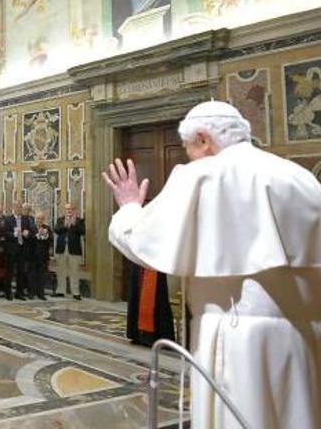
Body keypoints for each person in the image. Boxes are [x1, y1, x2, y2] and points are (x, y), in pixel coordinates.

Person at [105, 101, 321, 428]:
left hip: (236, 339)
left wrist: (129, 206)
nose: (188, 155)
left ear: (204, 139)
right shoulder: (298, 176)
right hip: (306, 335)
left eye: (188, 147)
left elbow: (140, 240)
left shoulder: (203, 175)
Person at [53, 203, 85, 300]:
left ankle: (75, 292)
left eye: (71, 209)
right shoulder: (60, 220)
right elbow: (56, 230)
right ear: (64, 210)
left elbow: (83, 231)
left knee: (74, 272)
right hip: (61, 249)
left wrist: (74, 224)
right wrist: (66, 225)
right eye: (67, 209)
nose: (69, 211)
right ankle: (60, 291)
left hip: (74, 250)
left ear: (74, 210)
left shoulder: (79, 221)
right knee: (61, 271)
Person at [3, 203, 35, 300]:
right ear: (13, 208)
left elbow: (31, 231)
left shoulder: (26, 219)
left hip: (23, 249)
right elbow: (5, 232)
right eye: (16, 207)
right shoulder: (8, 219)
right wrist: (14, 234)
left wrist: (28, 233)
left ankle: (19, 293)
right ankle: (8, 293)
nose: (18, 209)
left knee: (21, 272)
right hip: (11, 249)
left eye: (20, 207)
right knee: (10, 271)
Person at [29, 211, 53, 300]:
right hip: (32, 255)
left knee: (42, 275)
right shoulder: (31, 227)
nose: (39, 220)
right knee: (32, 274)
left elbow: (50, 240)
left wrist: (45, 235)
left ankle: (41, 293)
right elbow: (29, 239)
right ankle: (31, 292)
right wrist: (38, 234)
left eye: (41, 218)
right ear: (35, 219)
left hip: (43, 256)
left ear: (44, 219)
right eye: (38, 218)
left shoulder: (47, 228)